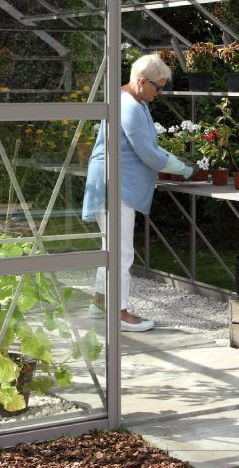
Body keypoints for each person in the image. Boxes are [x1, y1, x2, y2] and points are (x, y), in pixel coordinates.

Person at [82, 52, 196, 331]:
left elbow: (146, 146)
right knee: (121, 253)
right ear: (143, 81)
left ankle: (100, 304)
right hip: (116, 185)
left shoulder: (131, 98)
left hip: (110, 181)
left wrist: (175, 161)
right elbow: (148, 153)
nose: (161, 92)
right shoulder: (129, 107)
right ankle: (119, 314)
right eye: (158, 87)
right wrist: (183, 168)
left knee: (109, 248)